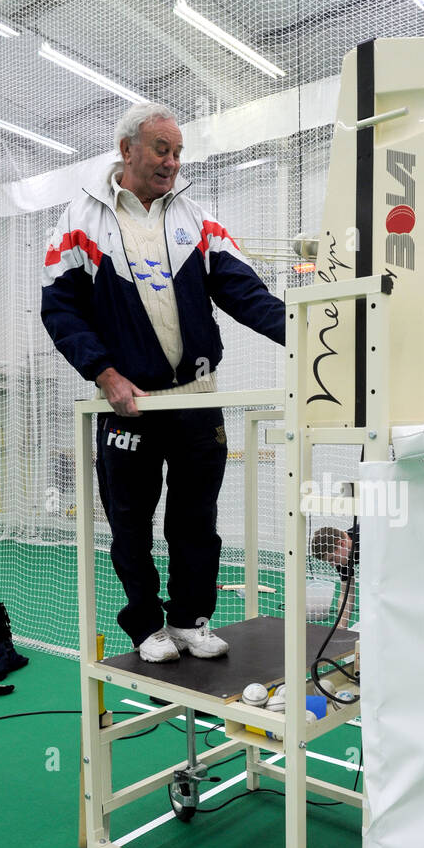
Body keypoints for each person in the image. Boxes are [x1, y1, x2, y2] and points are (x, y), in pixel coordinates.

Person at [41, 103, 285, 662]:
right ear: (127, 150)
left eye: (177, 153)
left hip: (198, 400)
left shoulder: (198, 221)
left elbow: (246, 295)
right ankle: (147, 626)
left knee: (197, 520)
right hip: (129, 405)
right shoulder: (80, 221)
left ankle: (191, 621)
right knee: (131, 523)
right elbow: (59, 309)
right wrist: (104, 374)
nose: (172, 162)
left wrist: (312, 339)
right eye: (161, 150)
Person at [310, 524, 358, 630]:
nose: (332, 564)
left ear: (342, 543)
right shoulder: (342, 557)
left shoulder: (366, 539)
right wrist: (341, 628)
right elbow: (347, 593)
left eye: (332, 559)